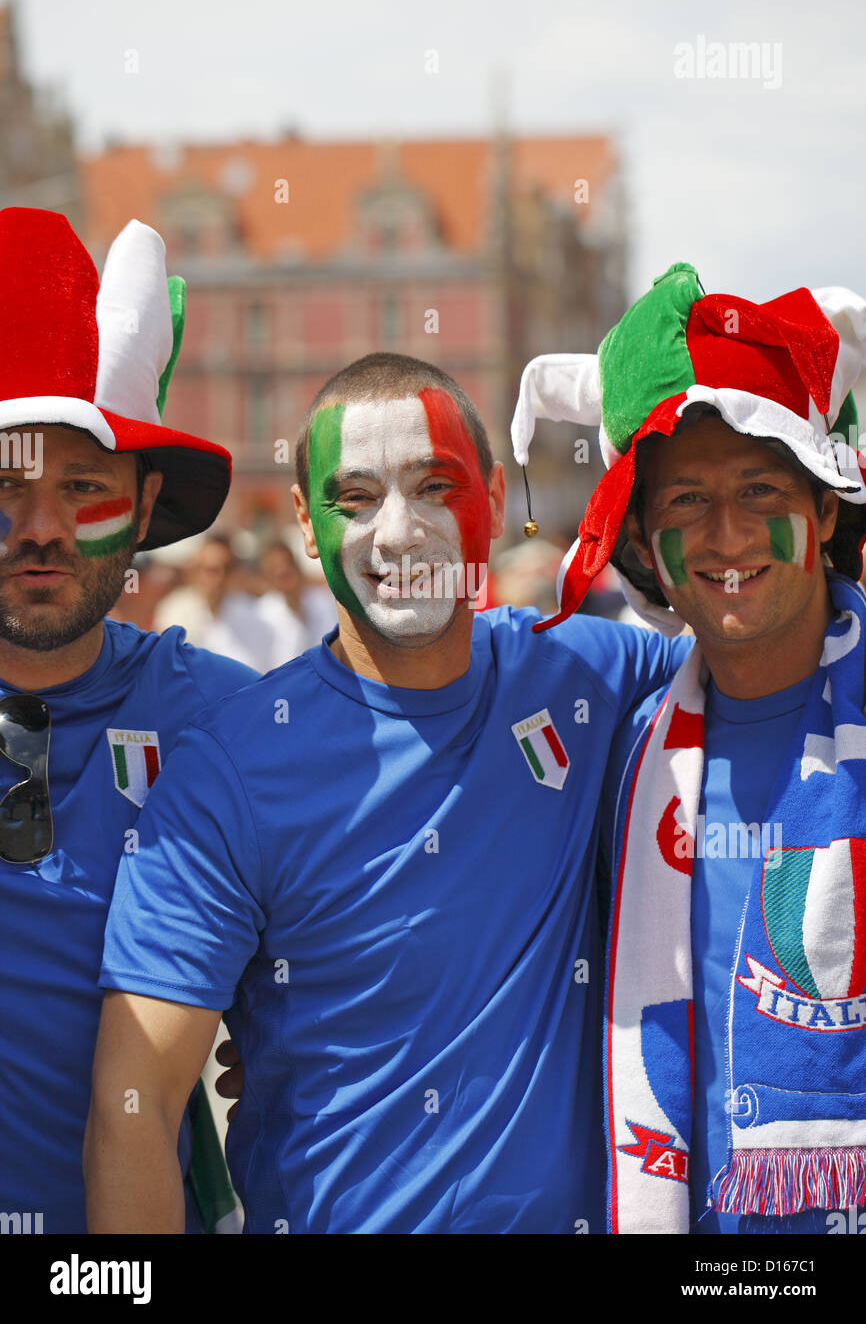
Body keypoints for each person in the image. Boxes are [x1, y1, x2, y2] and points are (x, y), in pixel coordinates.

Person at [84, 351, 690, 1235]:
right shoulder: (229, 772)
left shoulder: (586, 671)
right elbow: (133, 1104)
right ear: (303, 519)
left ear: (489, 491)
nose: (398, 532)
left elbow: (783, 654)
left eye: (434, 485)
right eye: (354, 499)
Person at [512, 262, 866, 1234]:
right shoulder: (617, 752)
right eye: (682, 505)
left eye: (760, 489)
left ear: (824, 508)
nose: (725, 535)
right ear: (641, 543)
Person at [0, 207, 256, 1235]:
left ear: (145, 509)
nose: (42, 530)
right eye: (5, 487)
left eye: (85, 488)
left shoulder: (237, 722)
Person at [153, 534, 277, 672]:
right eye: (211, 570)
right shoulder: (175, 612)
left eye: (226, 569)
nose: (219, 578)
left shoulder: (253, 615)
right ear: (196, 572)